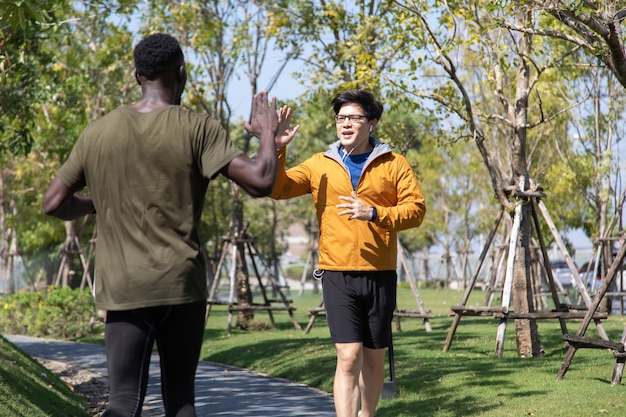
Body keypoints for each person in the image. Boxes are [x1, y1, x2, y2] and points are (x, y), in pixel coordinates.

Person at [42, 33, 279, 417]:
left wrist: (96, 203)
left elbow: (53, 203)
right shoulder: (198, 128)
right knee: (181, 399)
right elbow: (261, 181)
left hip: (124, 288)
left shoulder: (96, 133)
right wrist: (267, 133)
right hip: (181, 286)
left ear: (137, 76)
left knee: (123, 400)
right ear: (181, 74)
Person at [271, 90, 426, 417]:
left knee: (373, 357)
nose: (345, 124)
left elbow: (416, 210)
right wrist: (279, 148)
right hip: (337, 272)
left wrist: (374, 212)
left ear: (371, 123)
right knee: (348, 355)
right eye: (341, 118)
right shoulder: (319, 164)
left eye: (353, 118)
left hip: (380, 273)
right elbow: (279, 188)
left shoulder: (393, 163)